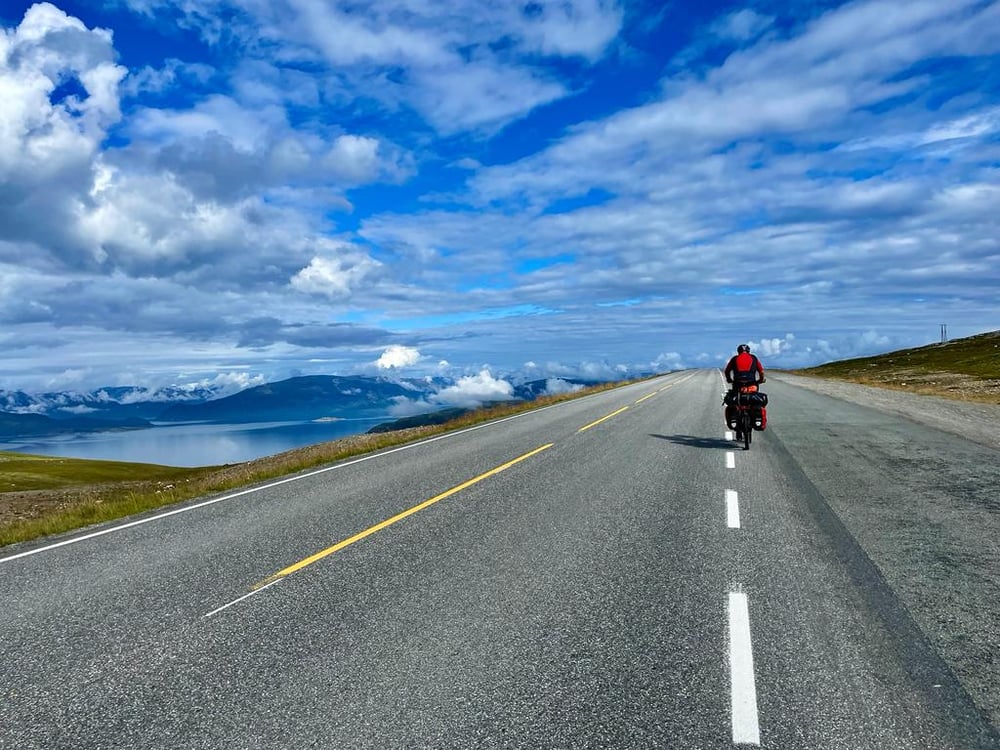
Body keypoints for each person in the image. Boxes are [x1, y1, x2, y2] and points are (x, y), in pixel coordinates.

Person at [724, 344, 766, 431]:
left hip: (738, 387)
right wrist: (761, 380)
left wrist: (729, 379)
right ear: (748, 351)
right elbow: (761, 372)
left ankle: (736, 421)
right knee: (755, 402)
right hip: (752, 387)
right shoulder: (754, 358)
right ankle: (756, 419)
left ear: (738, 351)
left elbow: (727, 371)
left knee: (734, 403)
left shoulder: (734, 359)